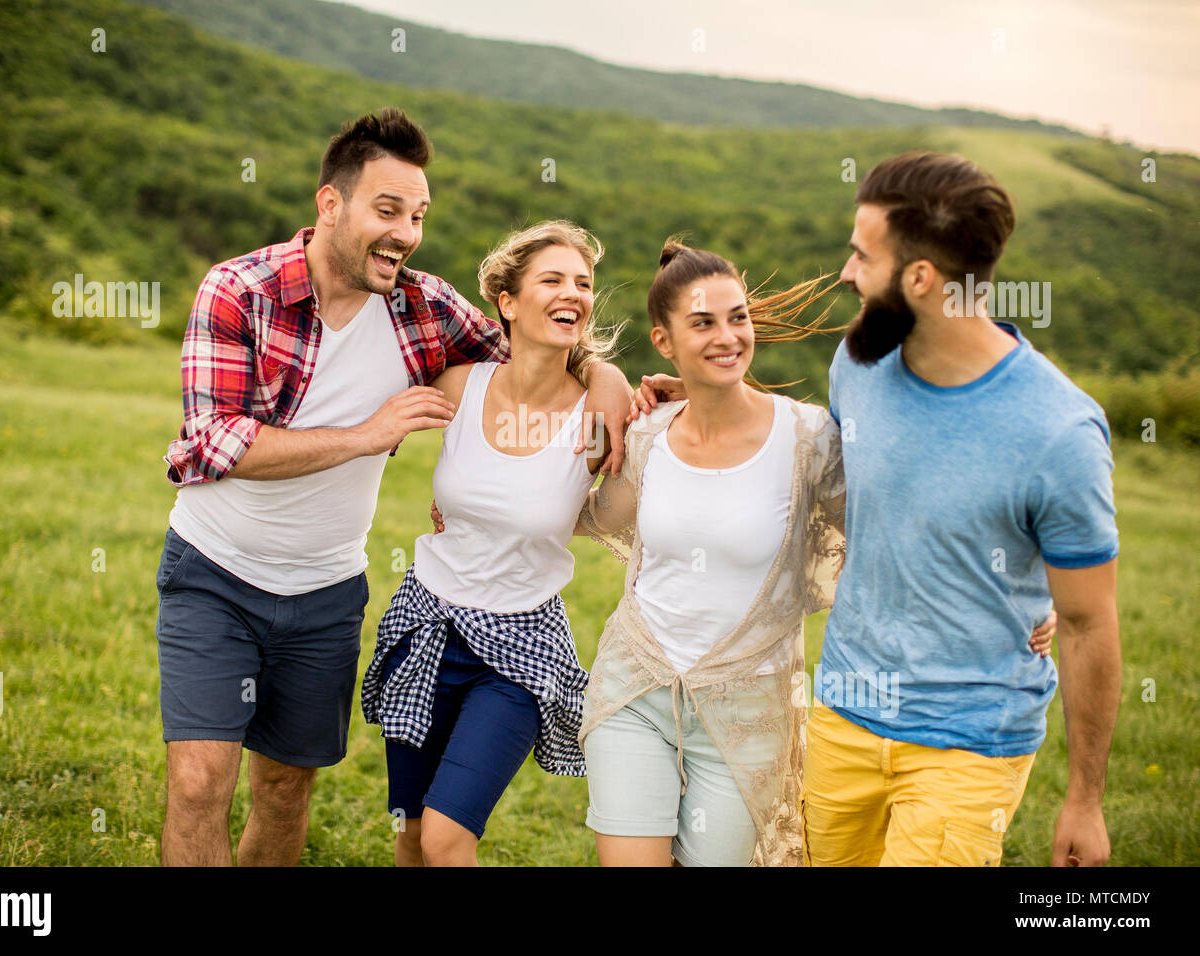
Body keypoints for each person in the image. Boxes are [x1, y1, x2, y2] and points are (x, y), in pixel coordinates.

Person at [154, 109, 631, 867]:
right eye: (387, 211)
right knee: (199, 781)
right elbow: (211, 443)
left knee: (284, 790)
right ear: (330, 204)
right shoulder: (241, 290)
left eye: (417, 215)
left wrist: (606, 376)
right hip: (216, 573)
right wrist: (365, 436)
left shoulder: (425, 307)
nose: (405, 233)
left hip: (326, 592)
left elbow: (538, 346)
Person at [596, 240, 1057, 868]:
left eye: (739, 318)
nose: (727, 336)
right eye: (702, 323)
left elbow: (897, 519)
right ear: (664, 340)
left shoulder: (809, 438)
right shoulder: (648, 432)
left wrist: (1021, 593)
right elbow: (593, 514)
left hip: (749, 706)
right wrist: (480, 512)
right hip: (635, 685)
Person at [804, 150, 1121, 867]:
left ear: (919, 279)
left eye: (861, 255)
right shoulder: (857, 367)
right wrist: (687, 406)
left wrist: (1086, 801)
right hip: (842, 718)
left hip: (968, 743)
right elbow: (828, 471)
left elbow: (1087, 620)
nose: (847, 272)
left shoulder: (1059, 432)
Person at [360, 221, 617, 866]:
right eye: (553, 279)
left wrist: (612, 379)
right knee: (412, 833)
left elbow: (623, 504)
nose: (574, 293)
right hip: (426, 625)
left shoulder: (597, 417)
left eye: (583, 283)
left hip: (520, 648)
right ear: (507, 300)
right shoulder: (459, 385)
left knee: (449, 836)